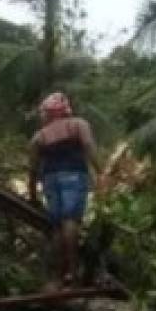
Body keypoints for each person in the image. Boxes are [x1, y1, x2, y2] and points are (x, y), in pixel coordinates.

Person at [28, 92, 100, 287]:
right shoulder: (78, 124)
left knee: (58, 224)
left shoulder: (39, 136)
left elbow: (33, 169)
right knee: (70, 221)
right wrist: (101, 170)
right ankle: (73, 270)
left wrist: (33, 193)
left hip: (50, 179)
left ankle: (59, 275)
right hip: (74, 175)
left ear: (48, 113)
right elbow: (88, 145)